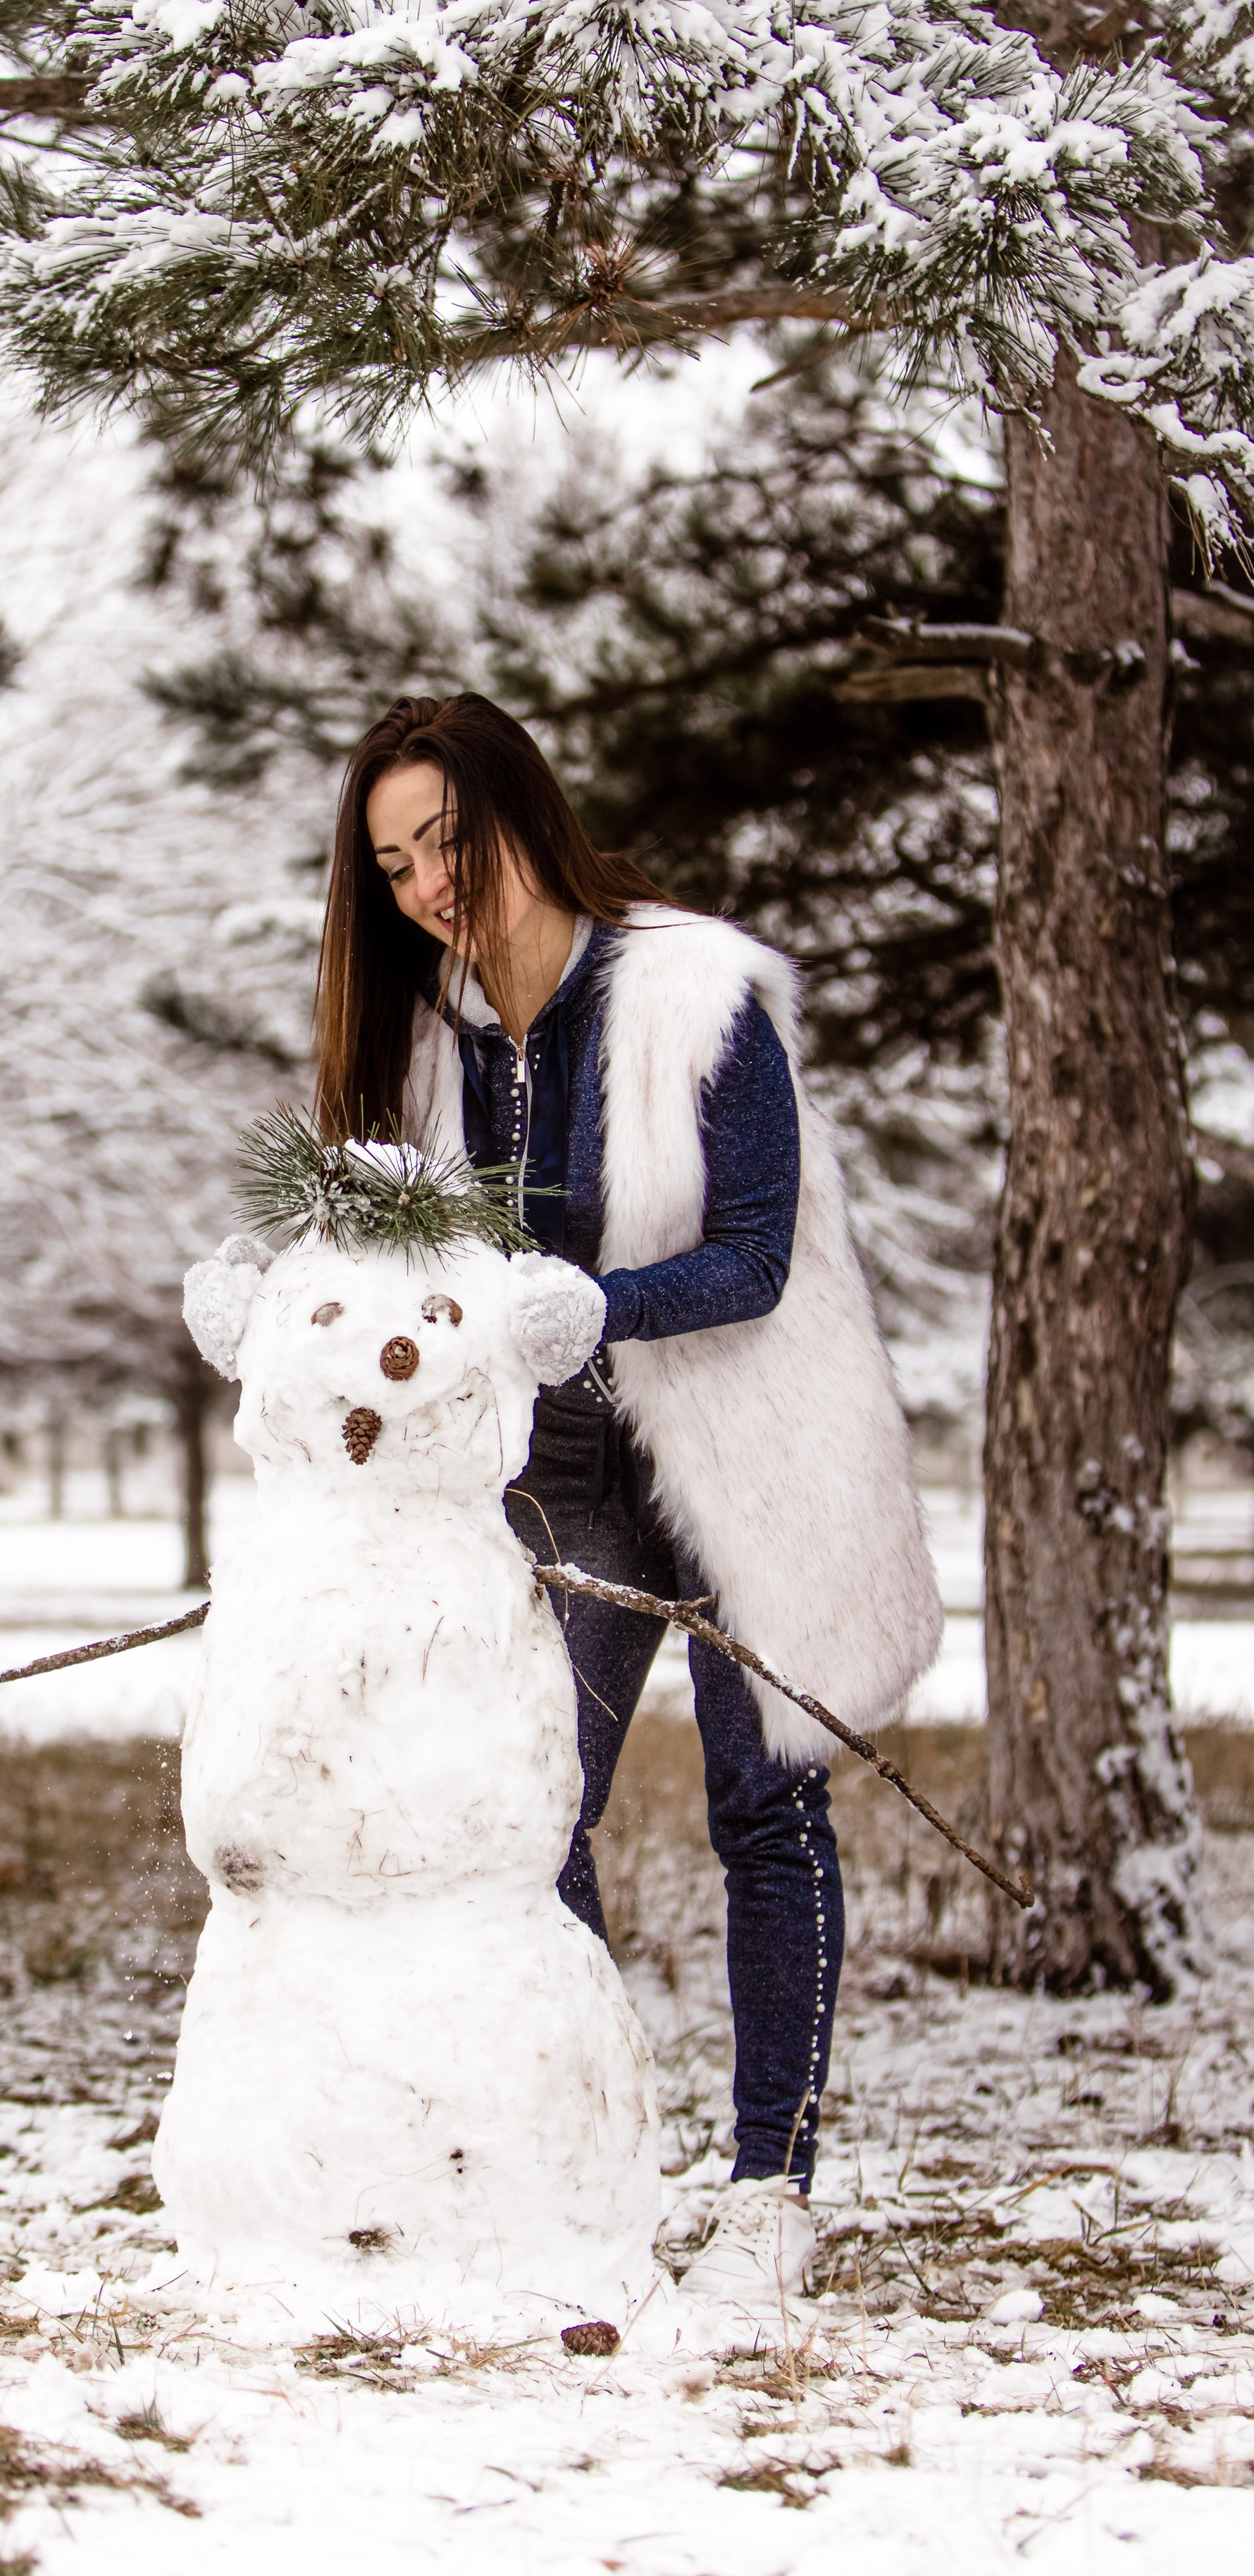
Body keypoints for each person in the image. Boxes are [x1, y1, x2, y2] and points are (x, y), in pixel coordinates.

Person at [316, 692, 942, 2308]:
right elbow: (404, 1262)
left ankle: (768, 2183)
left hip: (744, 1445)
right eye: (390, 864)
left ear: (520, 810)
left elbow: (750, 1247)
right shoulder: (430, 1036)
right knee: (538, 1813)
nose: (424, 884)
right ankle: (598, 2148)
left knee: (762, 1808)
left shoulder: (694, 990)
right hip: (569, 1469)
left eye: (442, 839)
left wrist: (599, 1302)